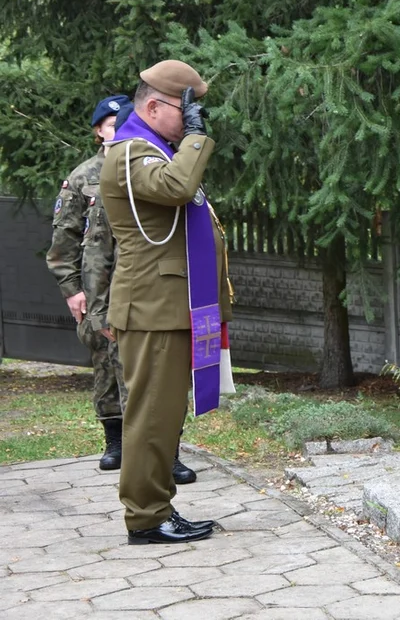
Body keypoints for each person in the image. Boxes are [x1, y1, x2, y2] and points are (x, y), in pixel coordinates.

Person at [100, 60, 231, 544]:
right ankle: (146, 517)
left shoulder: (153, 149)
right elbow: (178, 188)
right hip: (152, 309)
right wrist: (195, 141)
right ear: (154, 106)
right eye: (187, 111)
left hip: (167, 307)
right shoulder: (132, 153)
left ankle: (157, 507)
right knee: (151, 415)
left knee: (163, 415)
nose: (193, 120)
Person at [46, 96, 130, 470]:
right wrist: (72, 289)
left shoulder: (146, 167)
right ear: (99, 131)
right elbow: (63, 240)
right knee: (106, 363)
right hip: (98, 291)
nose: (118, 129)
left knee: (152, 368)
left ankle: (168, 449)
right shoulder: (82, 177)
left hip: (141, 287)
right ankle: (115, 442)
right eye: (112, 123)